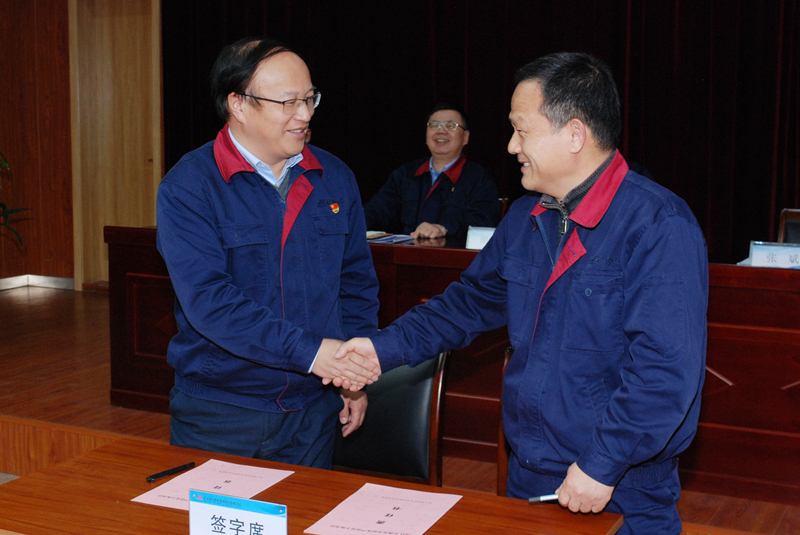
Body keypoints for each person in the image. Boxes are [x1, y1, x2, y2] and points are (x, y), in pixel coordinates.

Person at [334, 52, 708, 533]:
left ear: (574, 134)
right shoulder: (526, 217)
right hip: (530, 469)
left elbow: (665, 371)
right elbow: (466, 304)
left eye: (521, 130)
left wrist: (602, 463)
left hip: (617, 483)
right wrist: (379, 349)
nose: (512, 146)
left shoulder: (658, 224)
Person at [155, 36, 380, 469]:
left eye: (310, 99)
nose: (305, 114)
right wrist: (314, 354)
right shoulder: (190, 186)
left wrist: (352, 374)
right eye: (288, 102)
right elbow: (212, 303)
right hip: (222, 411)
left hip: (313, 410)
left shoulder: (333, 176)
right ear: (238, 104)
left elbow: (356, 284)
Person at [363, 103, 501, 239]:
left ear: (466, 137)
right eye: (434, 125)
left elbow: (484, 221)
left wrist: (444, 228)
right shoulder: (406, 174)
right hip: (407, 251)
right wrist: (357, 221)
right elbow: (378, 210)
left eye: (450, 126)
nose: (441, 131)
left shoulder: (479, 179)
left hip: (452, 253)